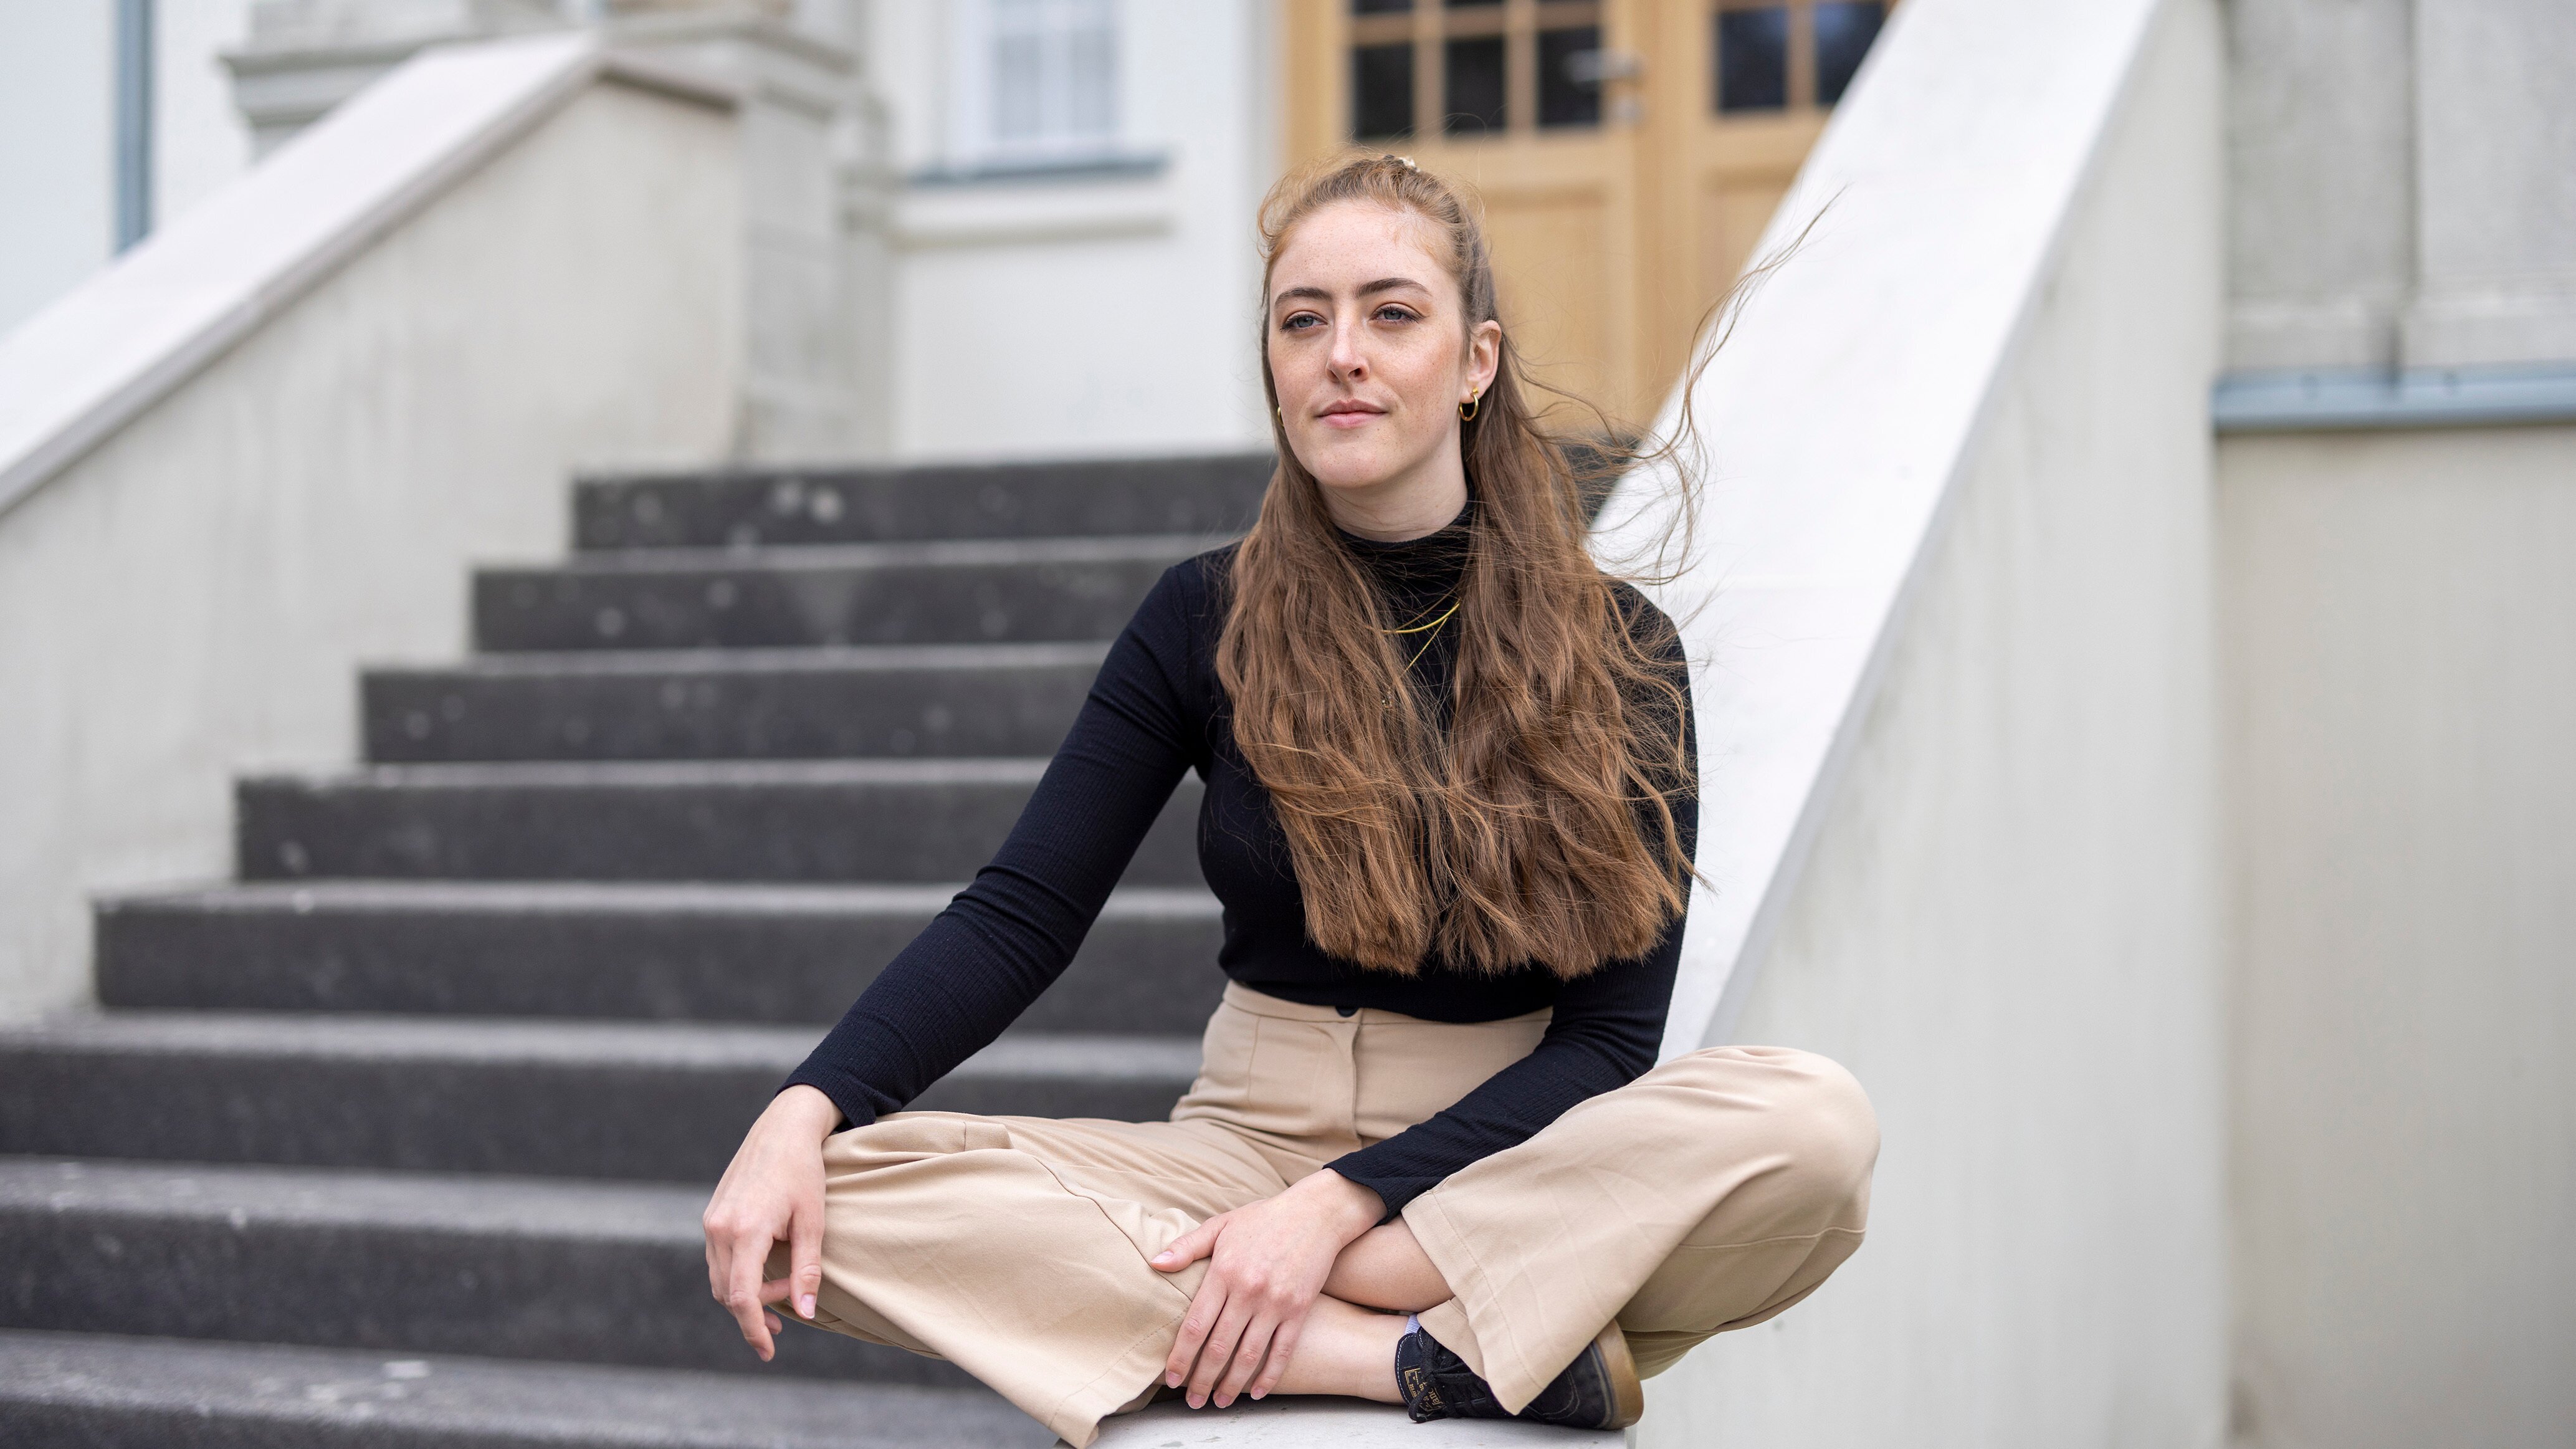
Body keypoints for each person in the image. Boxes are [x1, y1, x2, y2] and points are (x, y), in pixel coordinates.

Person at [700, 153, 1877, 1448]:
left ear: (1476, 361)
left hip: (1503, 1154)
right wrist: (805, 1106)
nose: (1342, 355)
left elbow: (1608, 1041)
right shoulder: (1202, 614)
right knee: (832, 1198)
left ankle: (1314, 1283)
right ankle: (1411, 1351)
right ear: (1272, 363)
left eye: (1392, 313)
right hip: (1240, 1141)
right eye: (1302, 320)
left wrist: (1332, 1212)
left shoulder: (1619, 646)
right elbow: (1022, 913)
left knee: (1810, 1128)